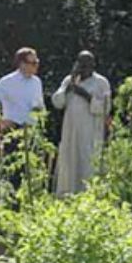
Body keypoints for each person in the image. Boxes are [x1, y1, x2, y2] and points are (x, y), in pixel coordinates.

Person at [51, 51, 112, 196]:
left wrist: (85, 95)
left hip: (90, 130)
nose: (84, 68)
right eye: (81, 64)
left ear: (93, 65)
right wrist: (68, 87)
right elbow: (57, 102)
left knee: (88, 162)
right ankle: (67, 195)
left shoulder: (101, 82)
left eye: (88, 65)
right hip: (71, 131)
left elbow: (106, 108)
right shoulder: (69, 80)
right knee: (69, 162)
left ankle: (88, 195)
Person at [0, 47, 46, 132]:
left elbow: (40, 106)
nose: (36, 65)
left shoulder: (37, 82)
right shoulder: (7, 81)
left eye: (37, 62)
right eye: (33, 63)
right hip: (12, 129)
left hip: (31, 131)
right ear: (22, 64)